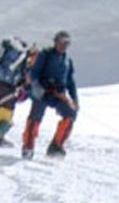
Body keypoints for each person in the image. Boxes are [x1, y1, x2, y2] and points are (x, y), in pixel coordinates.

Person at [23, 30, 80, 159]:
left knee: (70, 114)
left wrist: (75, 99)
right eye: (62, 42)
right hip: (42, 93)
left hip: (57, 94)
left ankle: (56, 146)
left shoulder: (68, 61)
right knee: (35, 118)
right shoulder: (45, 55)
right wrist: (38, 89)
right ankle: (28, 147)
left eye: (67, 43)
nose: (64, 45)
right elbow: (34, 73)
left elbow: (70, 82)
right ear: (56, 42)